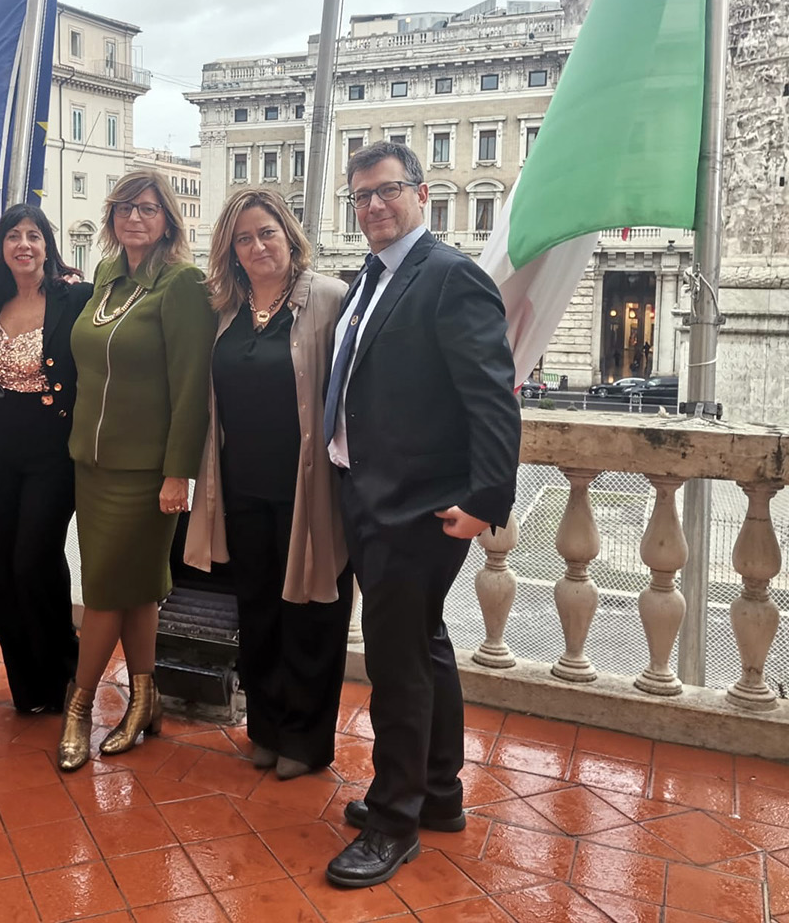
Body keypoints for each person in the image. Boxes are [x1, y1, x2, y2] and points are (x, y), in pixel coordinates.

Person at [322, 141, 521, 887]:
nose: (373, 205)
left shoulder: (449, 276)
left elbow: (492, 397)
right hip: (369, 492)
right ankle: (438, 792)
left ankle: (393, 820)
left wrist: (486, 500)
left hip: (417, 506)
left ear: (421, 194)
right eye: (361, 196)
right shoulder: (369, 278)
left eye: (387, 190)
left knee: (396, 663)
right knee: (424, 644)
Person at [183, 189, 351, 781]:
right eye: (244, 238)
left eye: (267, 233)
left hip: (310, 492)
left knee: (312, 615)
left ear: (289, 235)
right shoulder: (224, 309)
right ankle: (266, 727)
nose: (257, 247)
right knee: (256, 610)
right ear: (230, 249)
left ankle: (305, 740)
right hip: (241, 490)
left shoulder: (329, 298)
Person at [59, 170, 214, 771]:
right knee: (136, 589)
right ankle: (146, 697)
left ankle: (79, 706)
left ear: (168, 219)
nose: (134, 218)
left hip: (146, 472)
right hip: (92, 464)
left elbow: (191, 387)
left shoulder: (181, 284)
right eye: (124, 207)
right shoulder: (106, 276)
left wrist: (179, 473)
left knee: (103, 592)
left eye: (148, 209)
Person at [0, 204, 91, 713]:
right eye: (13, 236)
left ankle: (62, 665)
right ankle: (26, 683)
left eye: (33, 235)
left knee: (34, 558)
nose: (23, 244)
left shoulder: (75, 297)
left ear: (47, 245)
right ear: (1, 248)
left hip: (52, 449)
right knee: (1, 564)